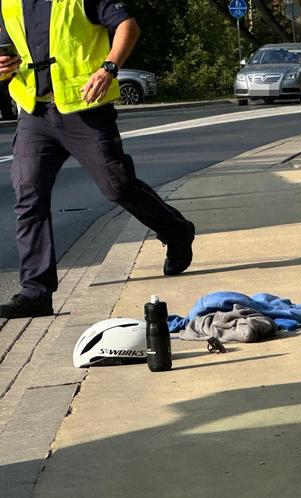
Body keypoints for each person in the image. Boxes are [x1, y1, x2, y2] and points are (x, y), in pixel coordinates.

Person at [0, 0, 195, 319]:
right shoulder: (9, 3)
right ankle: (36, 291)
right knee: (28, 195)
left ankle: (176, 232)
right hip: (35, 112)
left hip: (86, 109)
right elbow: (6, 50)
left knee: (118, 187)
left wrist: (109, 67)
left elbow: (127, 25)